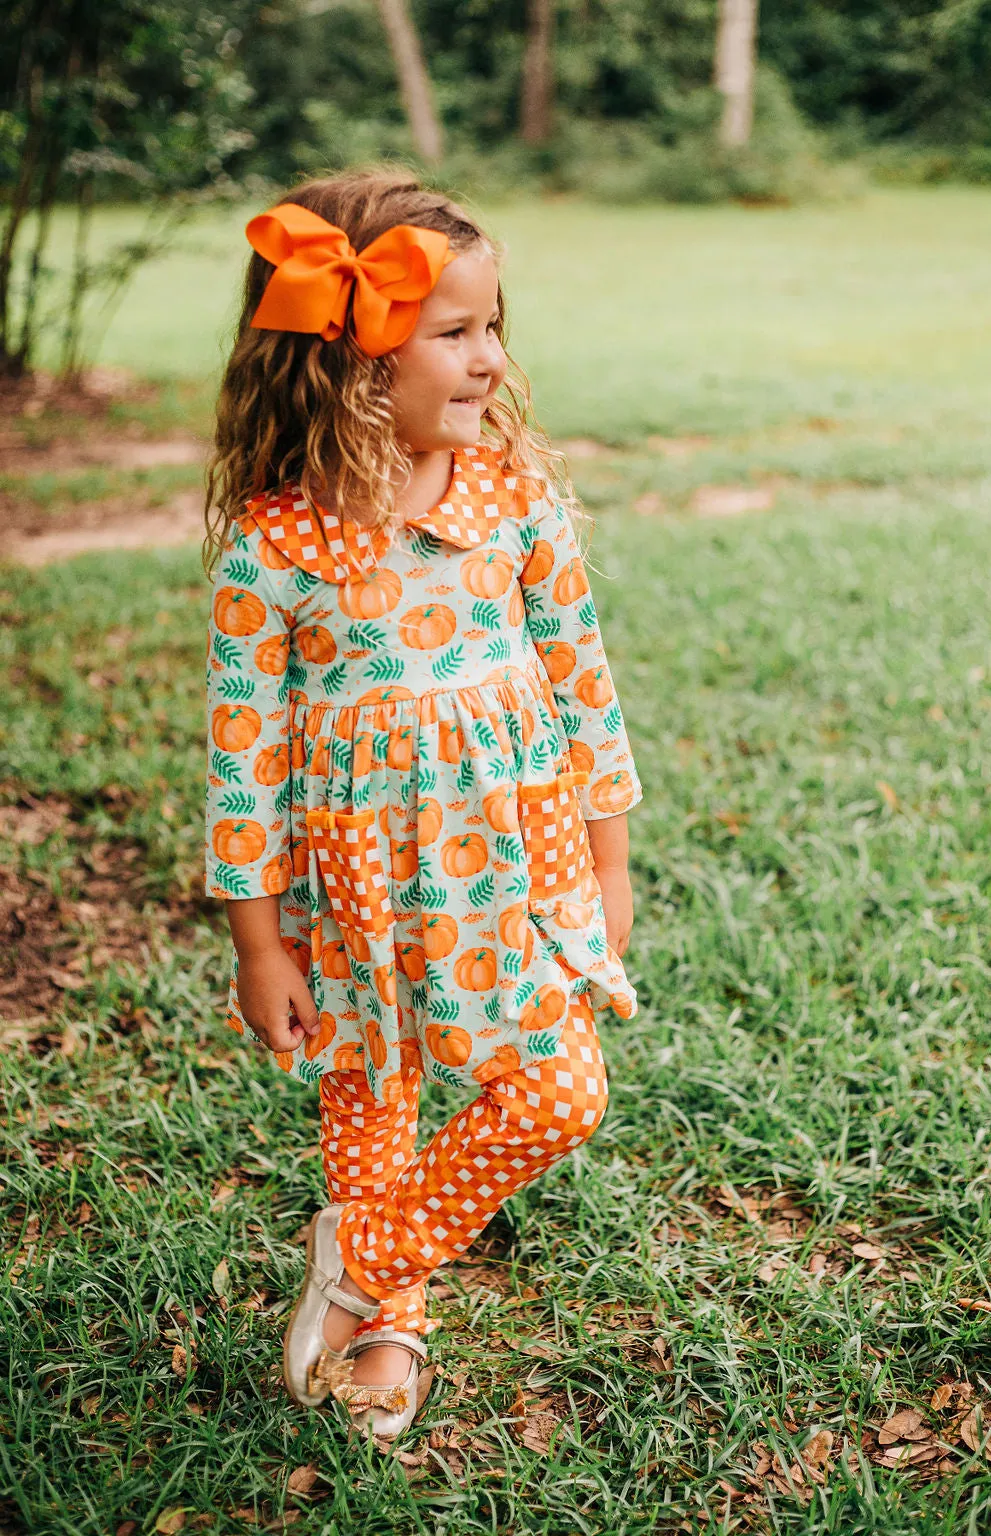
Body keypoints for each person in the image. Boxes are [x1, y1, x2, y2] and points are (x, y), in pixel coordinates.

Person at [202, 169, 642, 1438]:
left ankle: (362, 1261)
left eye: (494, 325)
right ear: (344, 359)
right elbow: (246, 760)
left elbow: (584, 689)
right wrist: (255, 935)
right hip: (358, 889)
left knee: (560, 1095)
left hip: (517, 865)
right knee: (373, 1102)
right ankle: (390, 1325)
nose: (492, 359)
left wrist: (608, 868)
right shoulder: (274, 548)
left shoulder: (516, 503)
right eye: (454, 331)